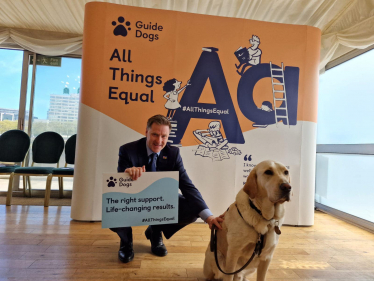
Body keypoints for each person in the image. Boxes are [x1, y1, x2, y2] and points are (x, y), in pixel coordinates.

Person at [110, 114, 223, 263]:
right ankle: (126, 241)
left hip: (160, 201)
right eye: (155, 135)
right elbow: (119, 186)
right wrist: (127, 174)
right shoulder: (127, 150)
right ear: (146, 132)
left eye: (164, 136)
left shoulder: (173, 153)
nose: (159, 141)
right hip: (134, 200)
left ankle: (155, 231)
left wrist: (208, 217)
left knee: (192, 208)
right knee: (112, 205)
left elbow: (187, 185)